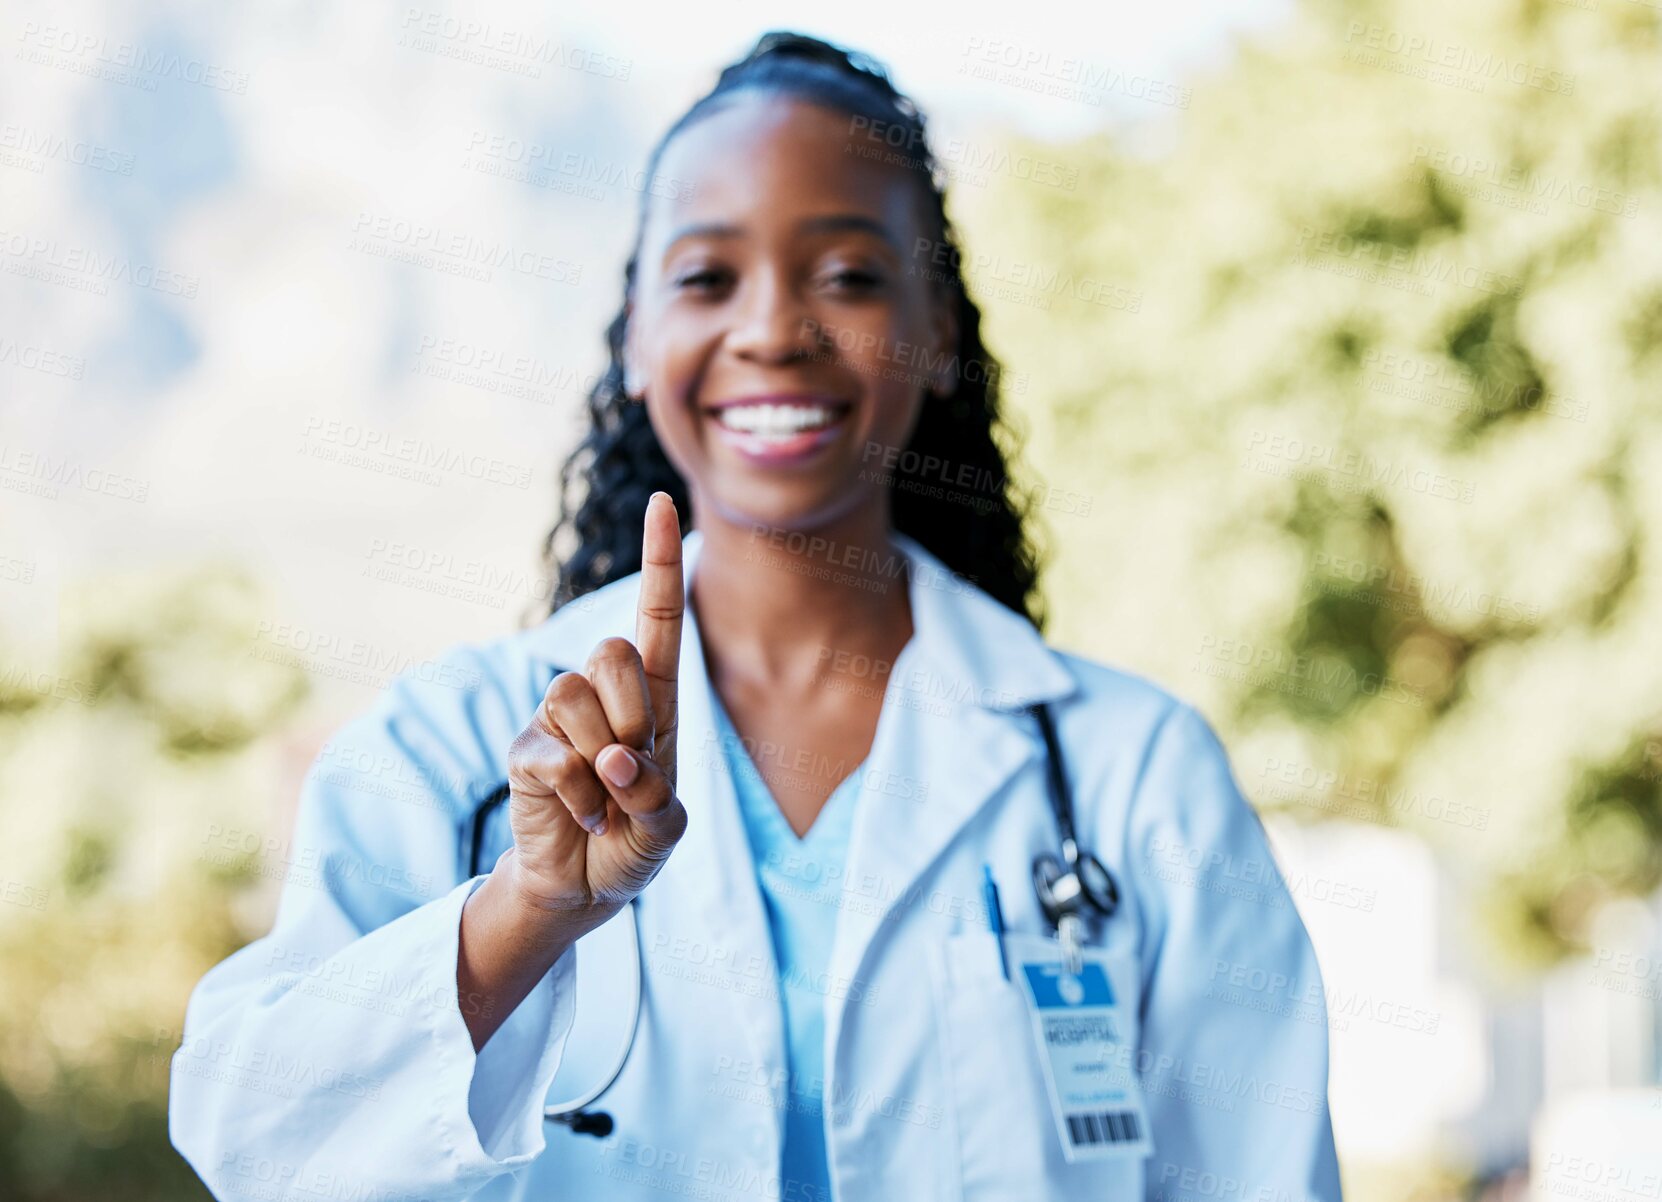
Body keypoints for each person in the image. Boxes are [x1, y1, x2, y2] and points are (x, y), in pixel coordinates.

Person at [169, 29, 1343, 1202]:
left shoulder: (1134, 775)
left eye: (848, 274)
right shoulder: (451, 746)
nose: (776, 328)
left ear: (939, 333)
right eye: (707, 276)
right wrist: (524, 914)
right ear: (635, 335)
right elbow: (255, 1141)